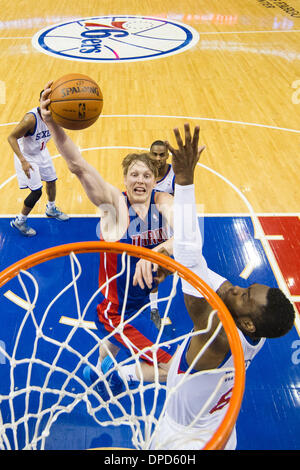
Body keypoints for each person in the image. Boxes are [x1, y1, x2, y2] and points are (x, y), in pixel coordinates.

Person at [149, 123, 295, 450]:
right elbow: (196, 265)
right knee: (174, 368)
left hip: (184, 441)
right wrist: (178, 268)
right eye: (247, 286)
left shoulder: (217, 332)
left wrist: (184, 181)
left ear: (245, 321)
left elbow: (188, 253)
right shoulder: (252, 334)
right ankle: (128, 376)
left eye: (243, 296)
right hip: (220, 429)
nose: (235, 288)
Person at [39, 83, 176, 398]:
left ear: (155, 180)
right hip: (113, 306)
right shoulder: (115, 206)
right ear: (124, 179)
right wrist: (53, 125)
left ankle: (94, 371)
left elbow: (186, 236)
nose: (140, 180)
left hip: (139, 301)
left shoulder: (164, 202)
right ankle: (118, 378)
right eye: (134, 175)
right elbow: (79, 166)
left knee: (109, 349)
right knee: (170, 370)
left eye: (146, 175)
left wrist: (159, 250)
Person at [8, 90, 69, 236]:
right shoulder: (30, 119)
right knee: (36, 192)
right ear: (40, 101)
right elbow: (11, 137)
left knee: (52, 181)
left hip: (41, 151)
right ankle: (20, 221)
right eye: (46, 101)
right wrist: (23, 161)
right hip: (26, 156)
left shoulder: (55, 115)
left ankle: (51, 209)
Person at [149, 140, 175, 328]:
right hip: (143, 227)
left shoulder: (175, 176)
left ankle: (153, 308)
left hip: (165, 232)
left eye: (162, 154)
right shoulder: (145, 171)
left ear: (167, 155)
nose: (158, 158)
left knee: (156, 273)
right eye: (155, 154)